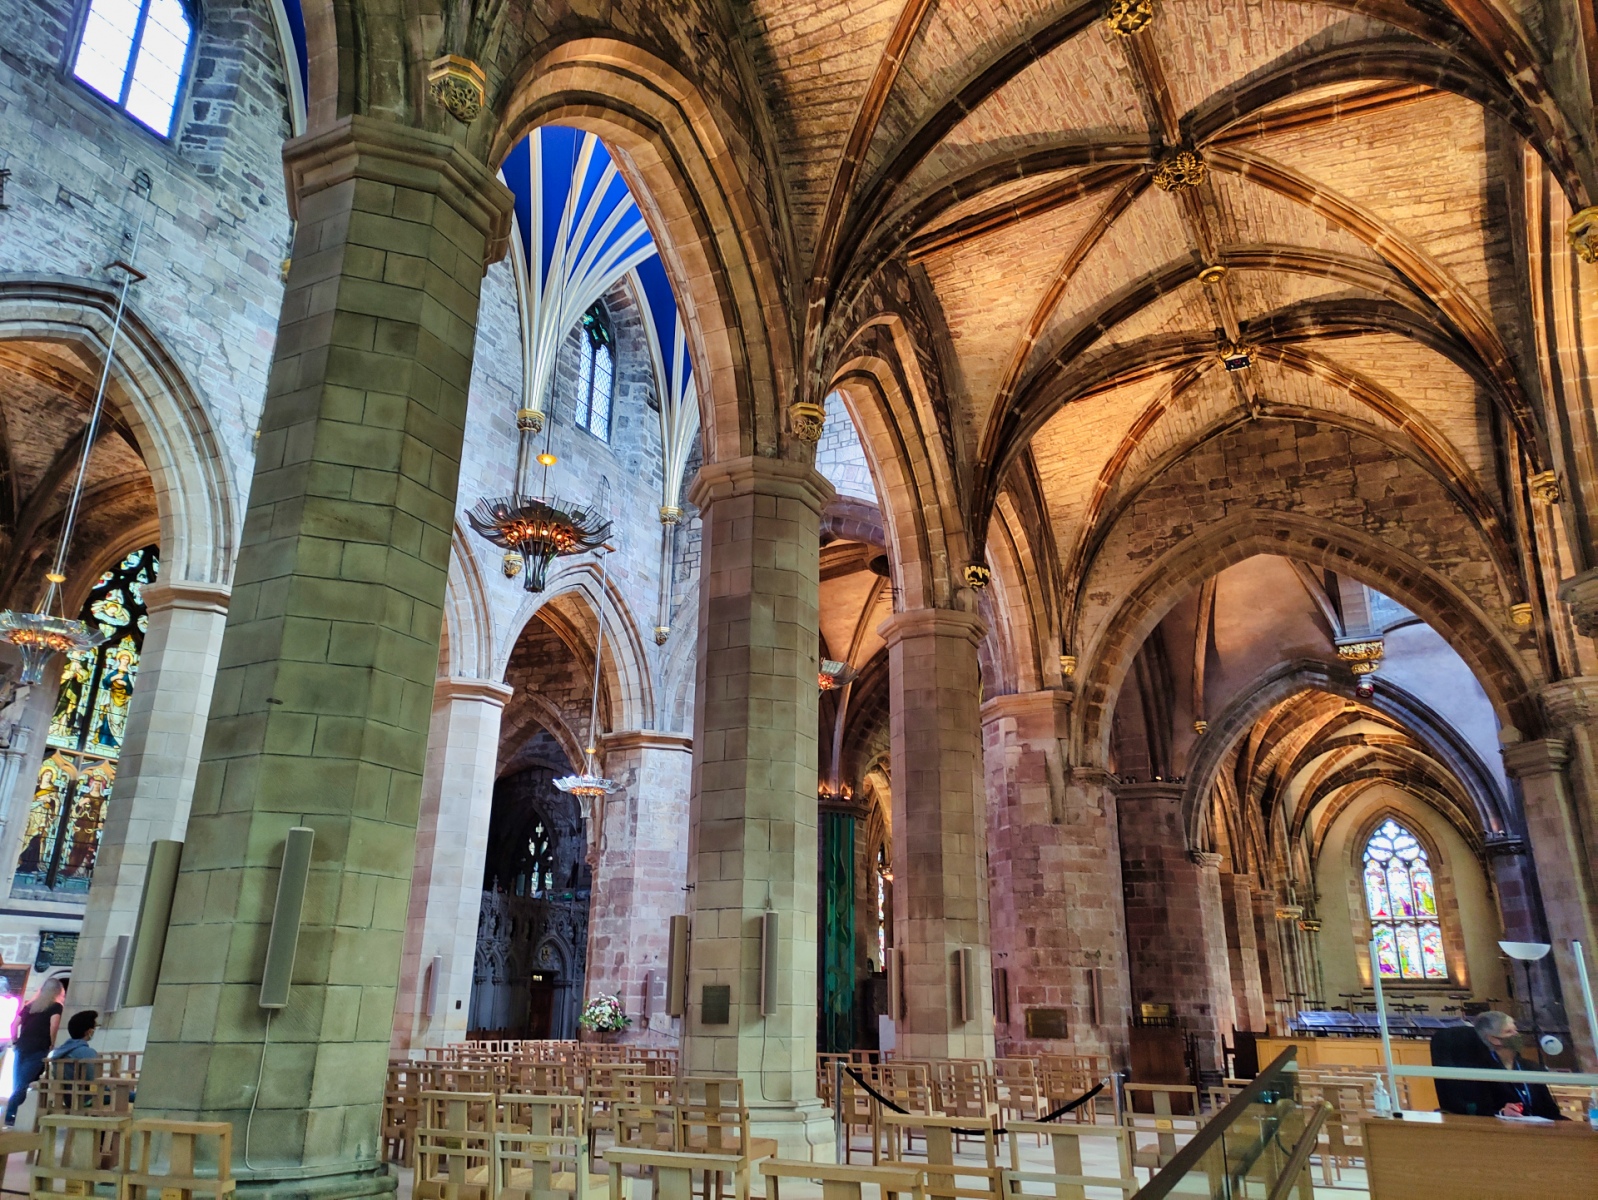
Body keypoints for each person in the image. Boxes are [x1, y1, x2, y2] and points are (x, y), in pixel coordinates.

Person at [1431, 1010, 1564, 1119]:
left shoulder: (1531, 1068)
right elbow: (1477, 1111)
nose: (1517, 1035)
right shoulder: (1482, 1072)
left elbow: (1551, 1112)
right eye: (1509, 1032)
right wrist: (1501, 1113)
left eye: (1516, 1030)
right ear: (1494, 1039)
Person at [4, 977, 64, 1126]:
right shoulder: (56, 1007)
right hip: (39, 1048)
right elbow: (54, 1025)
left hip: (22, 1047)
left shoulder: (30, 1006)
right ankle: (10, 1115)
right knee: (24, 1083)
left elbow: (14, 1025)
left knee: (18, 1082)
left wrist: (15, 1040)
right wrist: (52, 1044)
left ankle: (11, 1115)